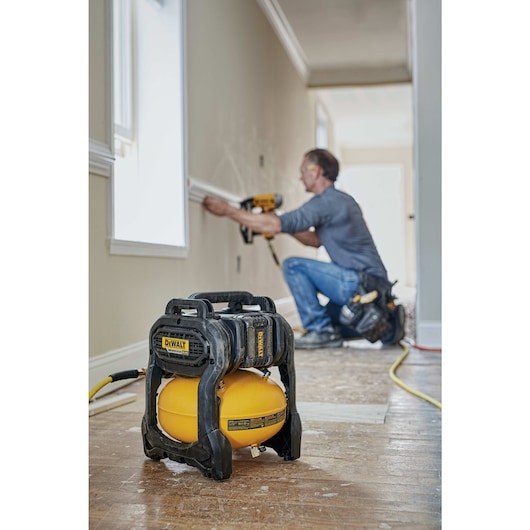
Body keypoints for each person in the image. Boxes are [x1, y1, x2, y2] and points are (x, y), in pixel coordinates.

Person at [202, 148, 405, 349]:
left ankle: (320, 331)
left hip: (360, 283)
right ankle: (388, 326)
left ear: (315, 171)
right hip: (374, 286)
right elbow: (315, 240)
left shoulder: (325, 202)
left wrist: (228, 210)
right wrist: (284, 224)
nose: (300, 177)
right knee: (339, 323)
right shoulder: (343, 201)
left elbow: (273, 226)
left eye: (302, 171)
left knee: (293, 266)